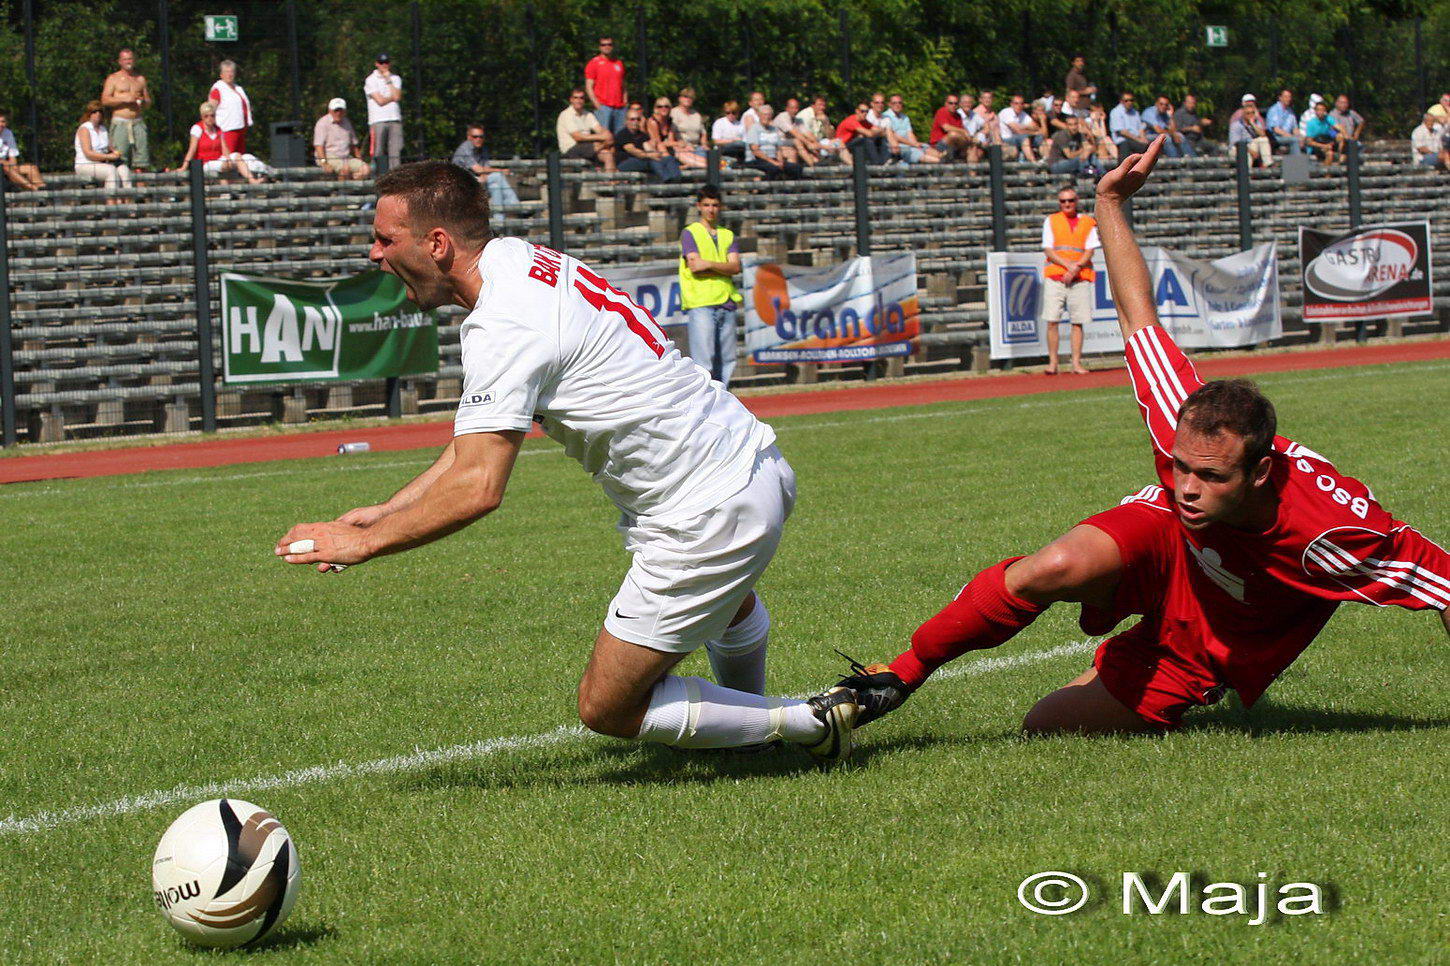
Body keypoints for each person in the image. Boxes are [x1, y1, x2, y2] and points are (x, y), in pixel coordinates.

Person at [828, 137, 1450, 740]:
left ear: (1260, 472)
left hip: (1215, 634)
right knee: (1055, 565)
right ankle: (899, 675)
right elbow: (1136, 313)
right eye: (1181, 467)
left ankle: (1140, 666)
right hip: (1169, 541)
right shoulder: (1183, 418)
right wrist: (1109, 203)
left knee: (1045, 725)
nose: (1188, 487)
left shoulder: (1334, 534)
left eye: (1211, 477)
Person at [274, 161, 859, 762]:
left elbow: (478, 485)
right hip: (749, 459)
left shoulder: (504, 322)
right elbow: (476, 443)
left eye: (384, 239)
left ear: (438, 243)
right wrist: (387, 512)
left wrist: (364, 544)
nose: (374, 254)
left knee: (608, 708)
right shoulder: (519, 259)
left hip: (706, 508)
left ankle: (810, 722)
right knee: (728, 603)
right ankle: (754, 733)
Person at [679, 185, 743, 387]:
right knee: (704, 362)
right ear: (699, 206)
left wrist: (708, 264)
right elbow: (695, 266)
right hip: (701, 302)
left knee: (728, 360)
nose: (711, 209)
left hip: (726, 301)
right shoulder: (690, 233)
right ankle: (706, 400)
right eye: (706, 205)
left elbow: (735, 267)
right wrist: (723, 267)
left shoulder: (727, 234)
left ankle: (724, 398)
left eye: (715, 205)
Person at [1039, 185, 1097, 376]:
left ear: (1076, 201)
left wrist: (1076, 268)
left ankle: (1076, 363)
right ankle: (1053, 363)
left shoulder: (1088, 222)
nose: (1067, 204)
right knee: (1052, 320)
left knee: (1078, 322)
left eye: (1070, 200)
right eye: (1063, 201)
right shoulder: (1052, 220)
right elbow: (1048, 250)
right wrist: (1069, 266)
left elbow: (1090, 250)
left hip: (1079, 278)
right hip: (1056, 276)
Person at [177, 101, 262, 183]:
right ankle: (233, 182)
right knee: (226, 166)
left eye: (212, 116)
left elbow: (224, 149)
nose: (210, 118)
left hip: (218, 160)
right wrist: (184, 166)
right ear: (202, 117)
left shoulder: (218, 129)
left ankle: (252, 180)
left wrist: (229, 158)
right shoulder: (197, 129)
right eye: (206, 116)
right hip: (206, 163)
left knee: (237, 156)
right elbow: (192, 149)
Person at [101, 48, 151, 172]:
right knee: (119, 158)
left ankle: (141, 183)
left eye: (130, 59)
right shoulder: (113, 78)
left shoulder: (140, 79)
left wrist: (142, 101)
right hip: (120, 121)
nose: (128, 61)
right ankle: (121, 183)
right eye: (125, 59)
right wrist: (125, 99)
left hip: (137, 122)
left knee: (142, 160)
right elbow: (105, 100)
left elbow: (148, 102)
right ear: (120, 62)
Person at [74, 100, 132, 204]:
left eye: (100, 111)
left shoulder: (103, 129)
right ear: (89, 114)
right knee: (111, 171)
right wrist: (109, 157)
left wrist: (116, 153)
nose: (98, 114)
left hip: (102, 163)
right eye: (94, 112)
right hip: (85, 164)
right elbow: (88, 154)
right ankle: (112, 205)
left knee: (124, 171)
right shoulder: (85, 129)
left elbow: (110, 148)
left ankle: (127, 206)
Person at [451, 122, 520, 208]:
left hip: (475, 180)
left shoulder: (483, 149)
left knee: (495, 186)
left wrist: (484, 176)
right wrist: (501, 170)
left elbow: (486, 168)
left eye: (481, 137)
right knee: (498, 176)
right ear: (469, 137)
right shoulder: (464, 149)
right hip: (461, 182)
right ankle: (516, 206)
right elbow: (478, 169)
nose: (478, 139)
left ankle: (499, 215)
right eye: (475, 136)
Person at [615, 107, 681, 182]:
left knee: (668, 158)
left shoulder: (642, 135)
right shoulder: (623, 134)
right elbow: (632, 150)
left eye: (638, 119)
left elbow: (648, 147)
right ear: (626, 121)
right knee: (652, 161)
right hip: (625, 162)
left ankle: (676, 180)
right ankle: (667, 181)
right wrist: (649, 155)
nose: (635, 121)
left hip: (642, 160)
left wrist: (656, 154)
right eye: (632, 119)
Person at [557, 89, 616, 171]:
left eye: (581, 98)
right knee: (601, 145)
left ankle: (610, 177)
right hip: (571, 149)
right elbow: (578, 137)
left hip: (587, 147)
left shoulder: (588, 114)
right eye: (576, 98)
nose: (578, 101)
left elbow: (599, 129)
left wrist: (607, 136)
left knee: (608, 154)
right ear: (571, 100)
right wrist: (602, 138)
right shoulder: (566, 115)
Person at [363, 53, 403, 173]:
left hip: (395, 118)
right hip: (377, 119)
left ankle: (395, 176)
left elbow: (397, 96)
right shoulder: (370, 80)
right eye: (381, 63)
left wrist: (388, 80)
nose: (384, 65)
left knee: (395, 151)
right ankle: (378, 175)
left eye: (386, 62)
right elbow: (379, 101)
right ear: (376, 64)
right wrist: (392, 97)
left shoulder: (395, 78)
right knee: (378, 150)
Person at [313, 98, 370, 180]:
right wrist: (324, 162)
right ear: (330, 110)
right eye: (336, 110)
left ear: (345, 111)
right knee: (345, 169)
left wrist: (359, 159)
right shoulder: (322, 123)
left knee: (365, 169)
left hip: (346, 157)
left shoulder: (347, 122)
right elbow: (319, 146)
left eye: (341, 110)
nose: (338, 113)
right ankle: (342, 187)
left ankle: (352, 185)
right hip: (329, 156)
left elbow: (353, 145)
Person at [743, 104, 802, 180]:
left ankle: (790, 186)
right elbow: (756, 151)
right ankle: (765, 185)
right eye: (764, 114)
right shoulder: (754, 129)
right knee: (774, 168)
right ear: (759, 115)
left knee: (796, 168)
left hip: (773, 159)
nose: (767, 117)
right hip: (757, 160)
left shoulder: (774, 129)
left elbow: (778, 149)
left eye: (769, 115)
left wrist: (780, 161)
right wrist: (773, 162)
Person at [207, 60, 252, 157]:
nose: (230, 74)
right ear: (221, 74)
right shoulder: (218, 89)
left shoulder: (238, 88)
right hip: (226, 130)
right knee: (229, 158)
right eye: (227, 72)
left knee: (241, 158)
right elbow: (210, 110)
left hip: (240, 129)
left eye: (232, 71)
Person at [584, 36, 627, 135]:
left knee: (620, 136)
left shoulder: (619, 63)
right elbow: (589, 87)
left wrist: (625, 101)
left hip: (620, 107)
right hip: (603, 106)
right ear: (599, 47)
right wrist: (597, 104)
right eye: (603, 45)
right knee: (604, 137)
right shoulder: (594, 63)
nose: (606, 47)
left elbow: (623, 84)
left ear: (613, 46)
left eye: (609, 44)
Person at [647, 96, 702, 169]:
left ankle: (710, 164)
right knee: (674, 149)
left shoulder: (669, 121)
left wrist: (682, 145)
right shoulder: (653, 122)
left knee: (683, 150)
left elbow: (670, 140)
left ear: (670, 108)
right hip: (656, 149)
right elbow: (658, 143)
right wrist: (677, 143)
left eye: (666, 106)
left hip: (668, 148)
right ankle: (673, 165)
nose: (663, 108)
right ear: (656, 109)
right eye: (660, 107)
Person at [884, 93, 939, 164]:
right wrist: (913, 144)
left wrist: (916, 144)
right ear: (889, 104)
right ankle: (942, 162)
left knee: (925, 147)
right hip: (897, 146)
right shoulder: (886, 117)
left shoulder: (905, 117)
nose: (897, 105)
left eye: (899, 103)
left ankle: (944, 158)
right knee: (916, 152)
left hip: (908, 144)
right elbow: (895, 136)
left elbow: (910, 133)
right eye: (894, 103)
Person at [0, 109, 44, 190]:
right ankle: (35, 189)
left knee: (31, 168)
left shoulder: (8, 133)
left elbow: (13, 158)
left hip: (6, 167)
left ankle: (43, 190)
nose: (1, 124)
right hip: (4, 167)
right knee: (6, 167)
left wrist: (10, 165)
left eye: (3, 121)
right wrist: (6, 164)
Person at [669, 88, 709, 168]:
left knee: (711, 155)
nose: (688, 99)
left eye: (691, 97)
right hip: (682, 148)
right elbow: (670, 135)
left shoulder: (696, 115)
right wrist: (680, 145)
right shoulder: (674, 113)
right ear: (680, 98)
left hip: (697, 147)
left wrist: (704, 145)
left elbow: (703, 133)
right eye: (685, 96)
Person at [1229, 96, 1273, 167]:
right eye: (1248, 113)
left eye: (1252, 113)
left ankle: (1268, 165)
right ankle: (1246, 173)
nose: (1250, 115)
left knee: (1263, 139)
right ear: (1243, 114)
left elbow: (1263, 135)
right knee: (1247, 155)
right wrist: (1252, 152)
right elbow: (1236, 143)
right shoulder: (1236, 125)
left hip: (1250, 145)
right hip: (1237, 148)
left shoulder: (1256, 122)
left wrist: (1252, 124)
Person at [998, 94, 1039, 162]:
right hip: (1006, 139)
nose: (1019, 106)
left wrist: (1023, 127)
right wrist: (1029, 129)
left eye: (1021, 104)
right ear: (1011, 104)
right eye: (1016, 103)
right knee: (1024, 137)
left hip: (1018, 139)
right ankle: (1033, 161)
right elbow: (1017, 130)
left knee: (1040, 137)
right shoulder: (1006, 112)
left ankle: (1045, 161)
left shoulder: (1023, 114)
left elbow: (1036, 127)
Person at [930, 93, 971, 161]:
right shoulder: (942, 111)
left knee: (973, 149)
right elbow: (946, 128)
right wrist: (963, 132)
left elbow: (962, 132)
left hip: (953, 146)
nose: (953, 105)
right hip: (939, 145)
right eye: (951, 103)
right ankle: (963, 151)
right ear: (946, 103)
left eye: (955, 103)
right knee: (953, 134)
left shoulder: (958, 116)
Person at [1265, 89, 1302, 155]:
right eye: (1286, 97)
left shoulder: (1290, 111)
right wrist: (1291, 136)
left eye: (1289, 97)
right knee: (1294, 140)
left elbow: (1295, 128)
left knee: (1303, 140)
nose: (1288, 99)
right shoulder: (1274, 110)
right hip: (1275, 138)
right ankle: (1297, 160)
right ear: (1280, 98)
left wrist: (1300, 137)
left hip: (1287, 137)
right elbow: (1276, 129)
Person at [1303, 99, 1340, 164]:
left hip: (1326, 144)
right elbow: (1309, 142)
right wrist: (1324, 146)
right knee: (1329, 154)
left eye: (1322, 110)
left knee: (1340, 138)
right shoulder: (1311, 123)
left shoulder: (1327, 121)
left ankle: (1339, 157)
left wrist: (1336, 137)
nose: (1320, 112)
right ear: (1315, 111)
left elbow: (1331, 133)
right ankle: (1326, 170)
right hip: (1316, 147)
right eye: (1318, 110)